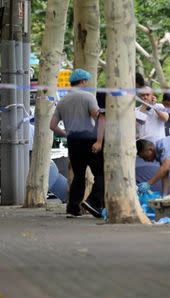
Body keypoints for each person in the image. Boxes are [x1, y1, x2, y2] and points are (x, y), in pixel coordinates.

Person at [49, 68, 105, 218]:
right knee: (101, 172)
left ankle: (73, 208)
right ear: (83, 81)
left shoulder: (62, 101)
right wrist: (99, 141)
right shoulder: (88, 97)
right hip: (89, 140)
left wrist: (66, 134)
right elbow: (100, 118)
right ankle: (93, 201)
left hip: (73, 142)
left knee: (78, 175)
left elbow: (52, 126)